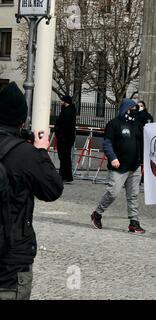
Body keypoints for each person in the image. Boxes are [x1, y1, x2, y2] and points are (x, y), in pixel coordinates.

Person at [0, 82, 63, 300]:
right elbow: (52, 189)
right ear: (21, 120)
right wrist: (42, 152)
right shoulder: (25, 155)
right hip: (11, 262)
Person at [90, 98, 145, 234]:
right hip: (119, 167)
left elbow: (142, 143)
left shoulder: (137, 125)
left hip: (134, 166)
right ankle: (97, 213)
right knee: (112, 192)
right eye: (133, 108)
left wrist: (142, 160)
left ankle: (134, 222)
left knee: (133, 195)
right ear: (126, 109)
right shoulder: (113, 124)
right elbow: (107, 143)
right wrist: (113, 157)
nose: (135, 111)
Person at [54, 95, 77, 183]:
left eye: (62, 101)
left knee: (64, 157)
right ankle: (65, 175)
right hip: (65, 137)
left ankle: (64, 175)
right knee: (65, 157)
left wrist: (60, 134)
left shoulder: (68, 112)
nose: (60, 102)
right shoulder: (67, 111)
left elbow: (65, 126)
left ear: (65, 101)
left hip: (65, 138)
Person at [135, 100, 153, 185]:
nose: (140, 107)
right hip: (136, 140)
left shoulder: (147, 116)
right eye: (138, 106)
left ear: (144, 106)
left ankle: (143, 177)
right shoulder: (134, 115)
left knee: (143, 159)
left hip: (144, 141)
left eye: (141, 106)